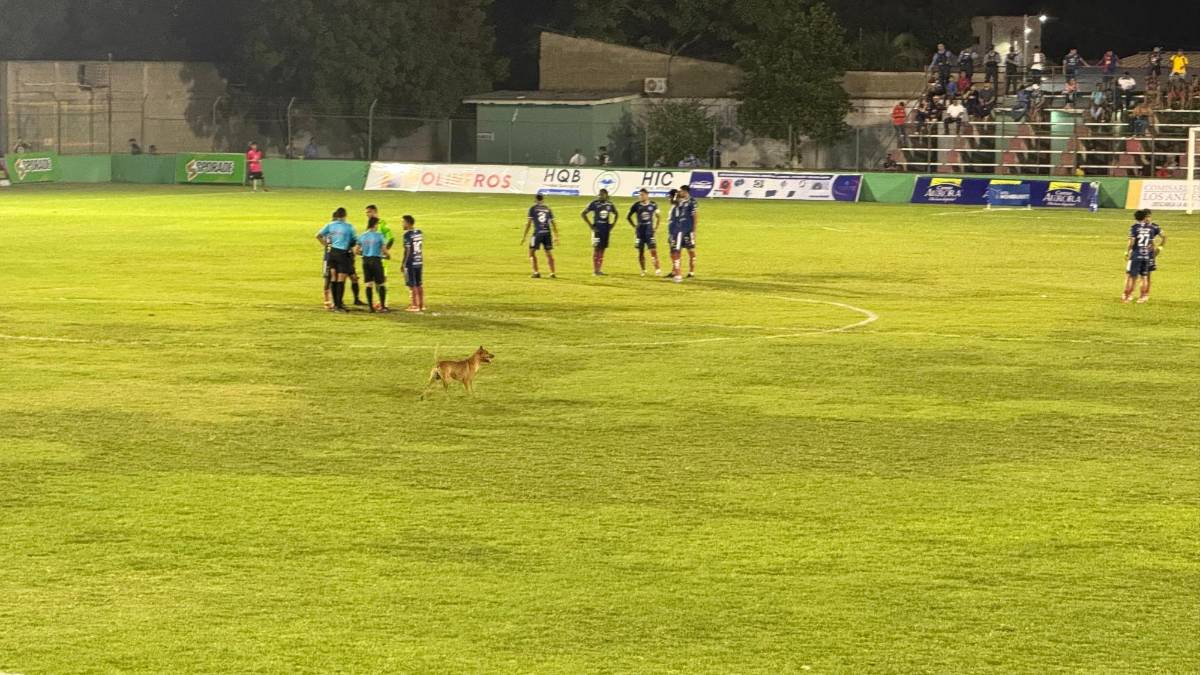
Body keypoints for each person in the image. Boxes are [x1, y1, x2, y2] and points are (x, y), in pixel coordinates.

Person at [315, 208, 357, 313]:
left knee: (333, 278)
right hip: (342, 254)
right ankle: (339, 305)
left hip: (332, 253)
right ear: (345, 215)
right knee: (341, 279)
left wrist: (326, 244)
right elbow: (354, 240)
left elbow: (318, 235)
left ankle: (335, 304)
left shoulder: (331, 225)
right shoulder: (349, 227)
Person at [1122, 209, 1165, 304]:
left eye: (1149, 217)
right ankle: (1136, 296)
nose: (1148, 218)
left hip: (1137, 254)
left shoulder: (1135, 227)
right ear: (1144, 217)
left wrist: (1127, 251)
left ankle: (1130, 296)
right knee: (1142, 276)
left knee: (1134, 276)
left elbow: (1132, 242)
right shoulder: (1150, 229)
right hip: (1146, 255)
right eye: (1147, 217)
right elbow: (1152, 242)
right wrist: (1153, 250)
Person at [582, 188, 619, 275]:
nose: (600, 196)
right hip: (597, 230)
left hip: (606, 230)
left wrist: (613, 224)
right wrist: (591, 226)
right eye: (599, 194)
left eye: (602, 194)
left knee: (602, 249)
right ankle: (595, 270)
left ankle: (599, 269)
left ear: (606, 195)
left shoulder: (609, 204)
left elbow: (616, 213)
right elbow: (583, 213)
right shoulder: (594, 203)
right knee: (596, 249)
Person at [521, 193, 558, 279]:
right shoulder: (547, 208)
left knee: (531, 252)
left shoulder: (533, 208)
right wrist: (556, 236)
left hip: (538, 233)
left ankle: (536, 272)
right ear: (543, 199)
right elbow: (553, 223)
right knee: (548, 253)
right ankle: (552, 273)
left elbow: (529, 223)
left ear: (535, 200)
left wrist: (524, 236)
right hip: (547, 233)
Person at [626, 188, 662, 276]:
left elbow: (658, 216)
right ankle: (643, 270)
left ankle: (657, 270)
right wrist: (635, 226)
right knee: (641, 252)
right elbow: (628, 217)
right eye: (640, 195)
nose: (640, 196)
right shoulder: (636, 205)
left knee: (653, 250)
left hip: (649, 232)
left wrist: (656, 228)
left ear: (647, 195)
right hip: (640, 233)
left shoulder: (653, 204)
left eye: (642, 195)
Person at [356, 217, 389, 313]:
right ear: (375, 224)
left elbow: (356, 250)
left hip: (366, 261)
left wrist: (364, 254)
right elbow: (384, 250)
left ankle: (371, 307)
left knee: (368, 284)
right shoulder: (379, 235)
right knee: (381, 283)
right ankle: (382, 306)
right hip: (376, 261)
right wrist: (388, 255)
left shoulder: (362, 235)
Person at [667, 185, 698, 282]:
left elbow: (695, 216)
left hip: (687, 230)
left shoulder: (692, 201)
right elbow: (673, 202)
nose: (679, 193)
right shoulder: (680, 201)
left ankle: (691, 272)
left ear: (685, 191)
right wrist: (674, 195)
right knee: (677, 250)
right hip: (679, 230)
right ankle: (675, 272)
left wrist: (693, 230)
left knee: (690, 250)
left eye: (681, 191)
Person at [401, 215, 425, 312]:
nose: (402, 224)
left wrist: (403, 263)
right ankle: (421, 305)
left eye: (403, 222)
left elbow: (407, 250)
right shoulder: (419, 232)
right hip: (419, 260)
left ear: (408, 223)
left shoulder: (407, 235)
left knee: (412, 284)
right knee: (419, 283)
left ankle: (414, 305)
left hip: (410, 261)